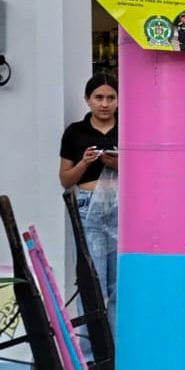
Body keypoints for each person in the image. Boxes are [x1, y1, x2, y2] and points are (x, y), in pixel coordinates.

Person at [59, 73, 119, 332]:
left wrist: (120, 163)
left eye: (110, 98)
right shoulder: (75, 132)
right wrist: (85, 161)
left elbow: (147, 172)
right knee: (91, 279)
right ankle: (93, 350)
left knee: (121, 281)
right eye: (99, 98)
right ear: (88, 100)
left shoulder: (130, 127)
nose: (104, 104)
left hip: (122, 207)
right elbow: (65, 179)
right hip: (87, 204)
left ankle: (119, 348)